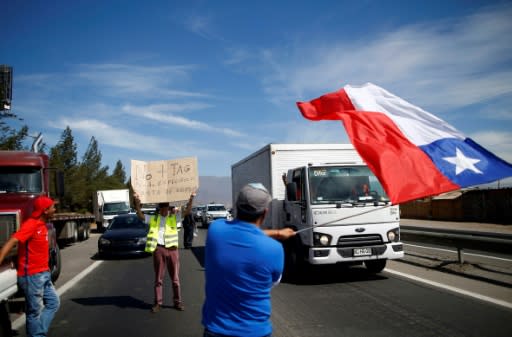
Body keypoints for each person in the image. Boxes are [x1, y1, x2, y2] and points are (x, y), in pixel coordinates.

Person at [202, 183, 295, 337]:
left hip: (215, 329)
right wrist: (277, 234)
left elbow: (242, 233)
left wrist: (277, 232)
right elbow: (273, 282)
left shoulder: (215, 230)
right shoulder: (274, 249)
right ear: (265, 213)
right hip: (255, 331)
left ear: (237, 206)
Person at [0, 196, 60, 337]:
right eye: (52, 207)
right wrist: (1, 257)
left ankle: (39, 333)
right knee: (34, 312)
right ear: (45, 211)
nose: (55, 209)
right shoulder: (31, 224)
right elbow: (13, 240)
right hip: (31, 276)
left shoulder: (43, 225)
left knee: (53, 303)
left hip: (43, 274)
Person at [134, 193, 193, 313]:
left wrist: (191, 199)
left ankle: (177, 302)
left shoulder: (174, 218)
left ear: (169, 208)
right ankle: (158, 303)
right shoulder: (153, 219)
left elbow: (187, 212)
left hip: (172, 250)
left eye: (166, 207)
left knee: (175, 278)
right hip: (159, 249)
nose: (165, 210)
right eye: (162, 208)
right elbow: (140, 216)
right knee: (158, 279)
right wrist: (137, 203)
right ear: (159, 209)